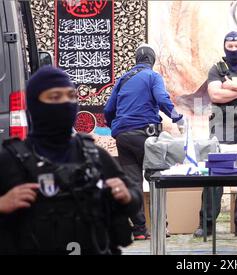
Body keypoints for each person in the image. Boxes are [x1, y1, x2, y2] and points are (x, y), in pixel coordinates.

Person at [0, 66, 141, 255]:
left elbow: (133, 198)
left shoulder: (94, 155)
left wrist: (127, 195)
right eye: (55, 97)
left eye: (71, 96)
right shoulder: (10, 160)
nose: (66, 102)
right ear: (35, 104)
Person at [104, 44, 184, 240]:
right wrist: (176, 117)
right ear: (152, 60)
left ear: (136, 60)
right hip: (146, 136)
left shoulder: (123, 79)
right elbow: (162, 98)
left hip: (123, 137)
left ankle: (139, 230)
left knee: (133, 182)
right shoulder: (152, 76)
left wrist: (117, 126)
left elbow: (108, 109)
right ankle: (160, 227)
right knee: (156, 179)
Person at [193, 31, 237, 238]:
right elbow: (215, 94)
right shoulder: (217, 69)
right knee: (215, 177)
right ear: (224, 47)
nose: (233, 50)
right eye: (230, 47)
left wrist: (232, 85)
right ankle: (206, 224)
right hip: (221, 129)